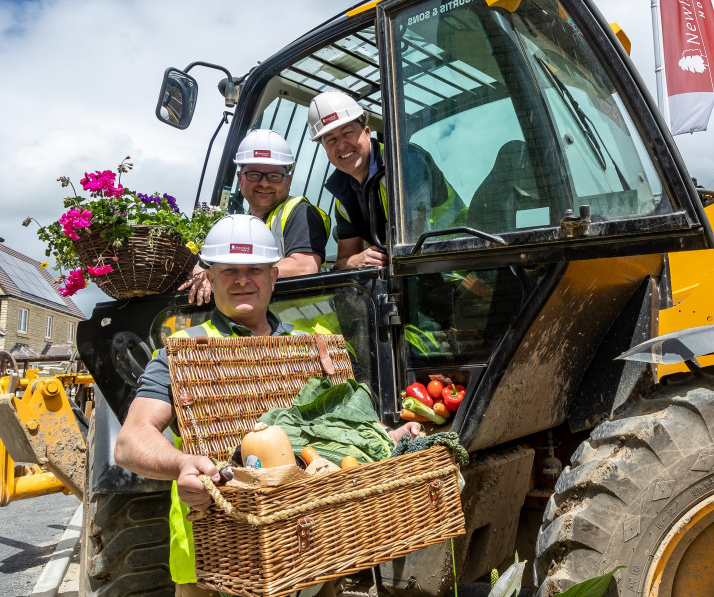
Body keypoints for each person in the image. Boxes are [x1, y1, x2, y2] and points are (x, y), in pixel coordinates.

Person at [115, 215, 419, 597]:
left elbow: (344, 431)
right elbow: (130, 441)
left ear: (274, 277)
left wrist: (389, 438)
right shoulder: (179, 354)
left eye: (254, 270)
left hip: (311, 551)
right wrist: (182, 465)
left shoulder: (315, 348)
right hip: (216, 562)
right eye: (229, 271)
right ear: (209, 280)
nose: (243, 280)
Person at [307, 90, 465, 269]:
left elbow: (411, 241)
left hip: (465, 258)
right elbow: (344, 261)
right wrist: (355, 261)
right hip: (420, 275)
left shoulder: (403, 161)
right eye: (331, 140)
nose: (341, 145)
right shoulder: (343, 196)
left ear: (367, 133)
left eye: (348, 133)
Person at [180, 129, 331, 304]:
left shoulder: (299, 211)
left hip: (304, 328)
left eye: (274, 176)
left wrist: (224, 276)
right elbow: (204, 267)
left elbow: (304, 267)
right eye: (254, 175)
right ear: (239, 178)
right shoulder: (240, 227)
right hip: (256, 326)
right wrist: (202, 274)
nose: (264, 183)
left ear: (288, 181)